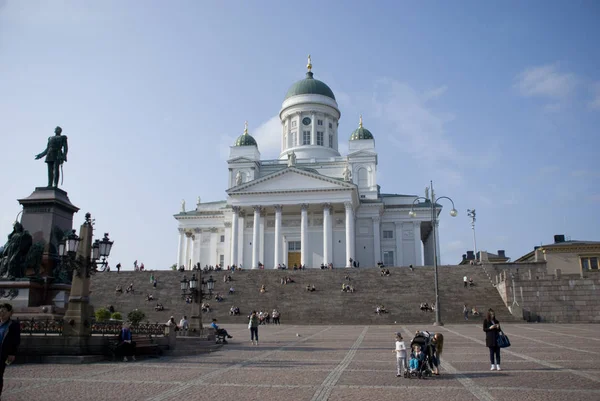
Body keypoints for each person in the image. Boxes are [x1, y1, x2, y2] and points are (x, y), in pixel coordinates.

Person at [0, 303, 20, 396]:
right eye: (0, 310)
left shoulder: (13, 325)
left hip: (2, 354)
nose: (1, 312)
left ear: (10, 313)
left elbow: (16, 340)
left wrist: (12, 353)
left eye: (4, 310)